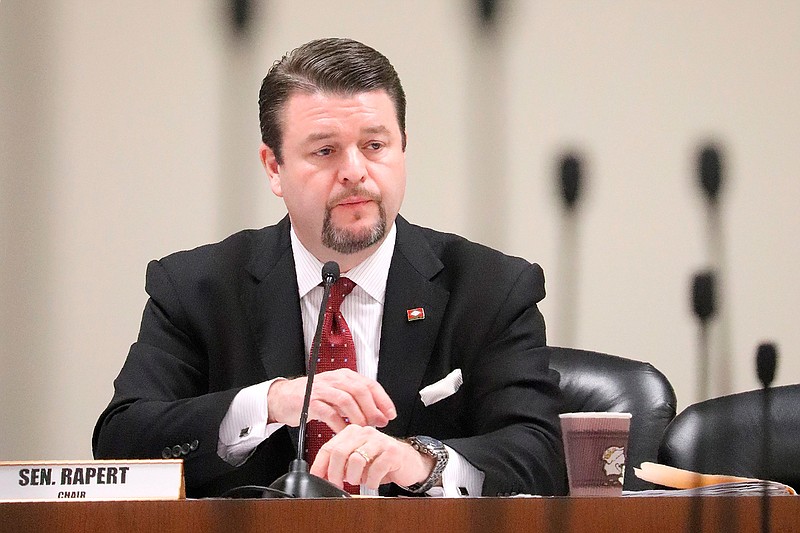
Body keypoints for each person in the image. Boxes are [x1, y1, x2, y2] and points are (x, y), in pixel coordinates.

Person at [93, 37, 567, 498]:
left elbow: (540, 454)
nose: (355, 171)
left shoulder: (490, 289)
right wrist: (269, 402)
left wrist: (421, 462)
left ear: (403, 147)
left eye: (376, 145)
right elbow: (120, 445)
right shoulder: (197, 289)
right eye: (325, 151)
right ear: (273, 167)